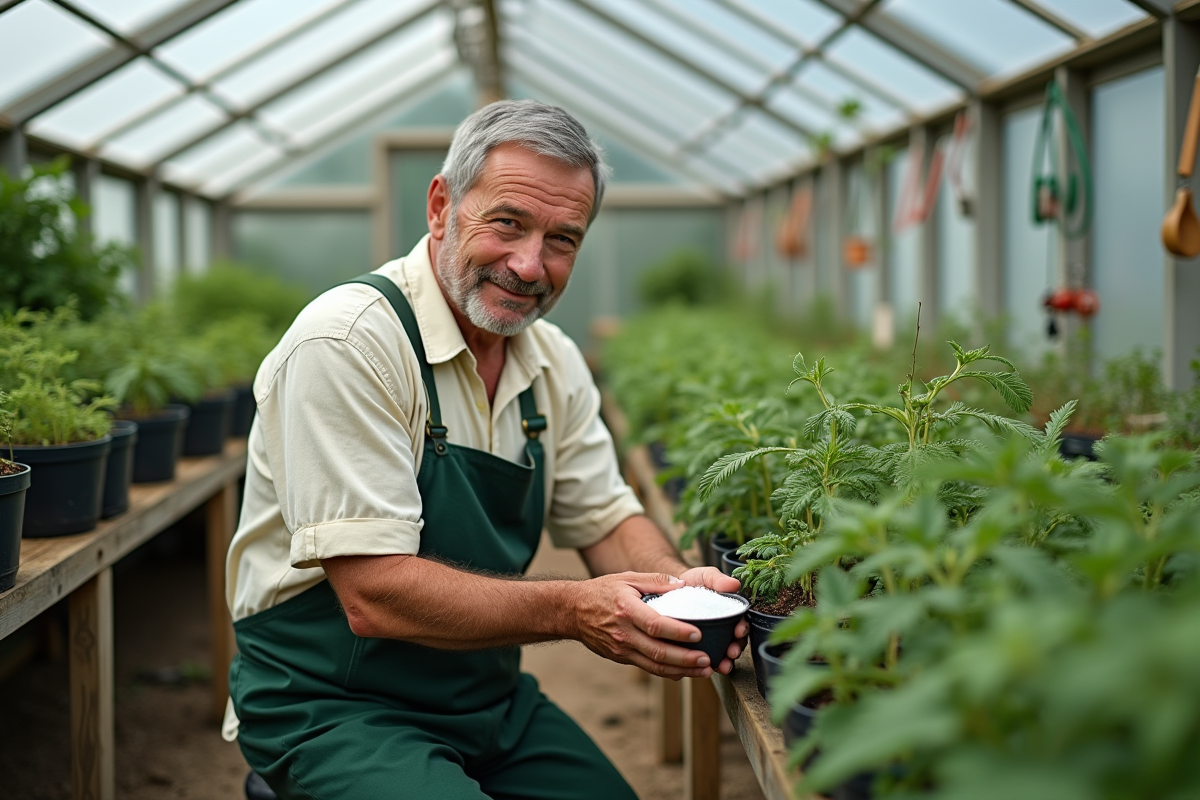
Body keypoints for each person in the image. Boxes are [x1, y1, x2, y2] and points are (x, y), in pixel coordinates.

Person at [222, 99, 746, 800]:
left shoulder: (551, 360)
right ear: (442, 206)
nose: (530, 265)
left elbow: (606, 517)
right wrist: (572, 609)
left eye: (563, 239)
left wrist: (676, 590)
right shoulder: (349, 343)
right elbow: (373, 595)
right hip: (330, 704)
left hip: (486, 702)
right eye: (508, 222)